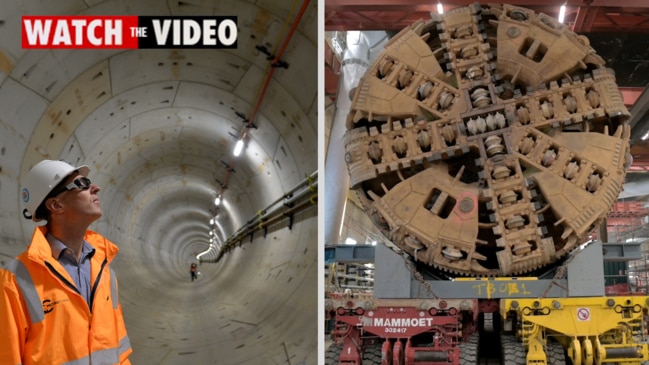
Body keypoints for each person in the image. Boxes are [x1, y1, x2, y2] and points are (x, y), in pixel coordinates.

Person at [0, 160, 132, 364]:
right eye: (83, 184)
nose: (95, 187)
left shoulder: (104, 270)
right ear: (55, 205)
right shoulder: (15, 280)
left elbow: (120, 351)